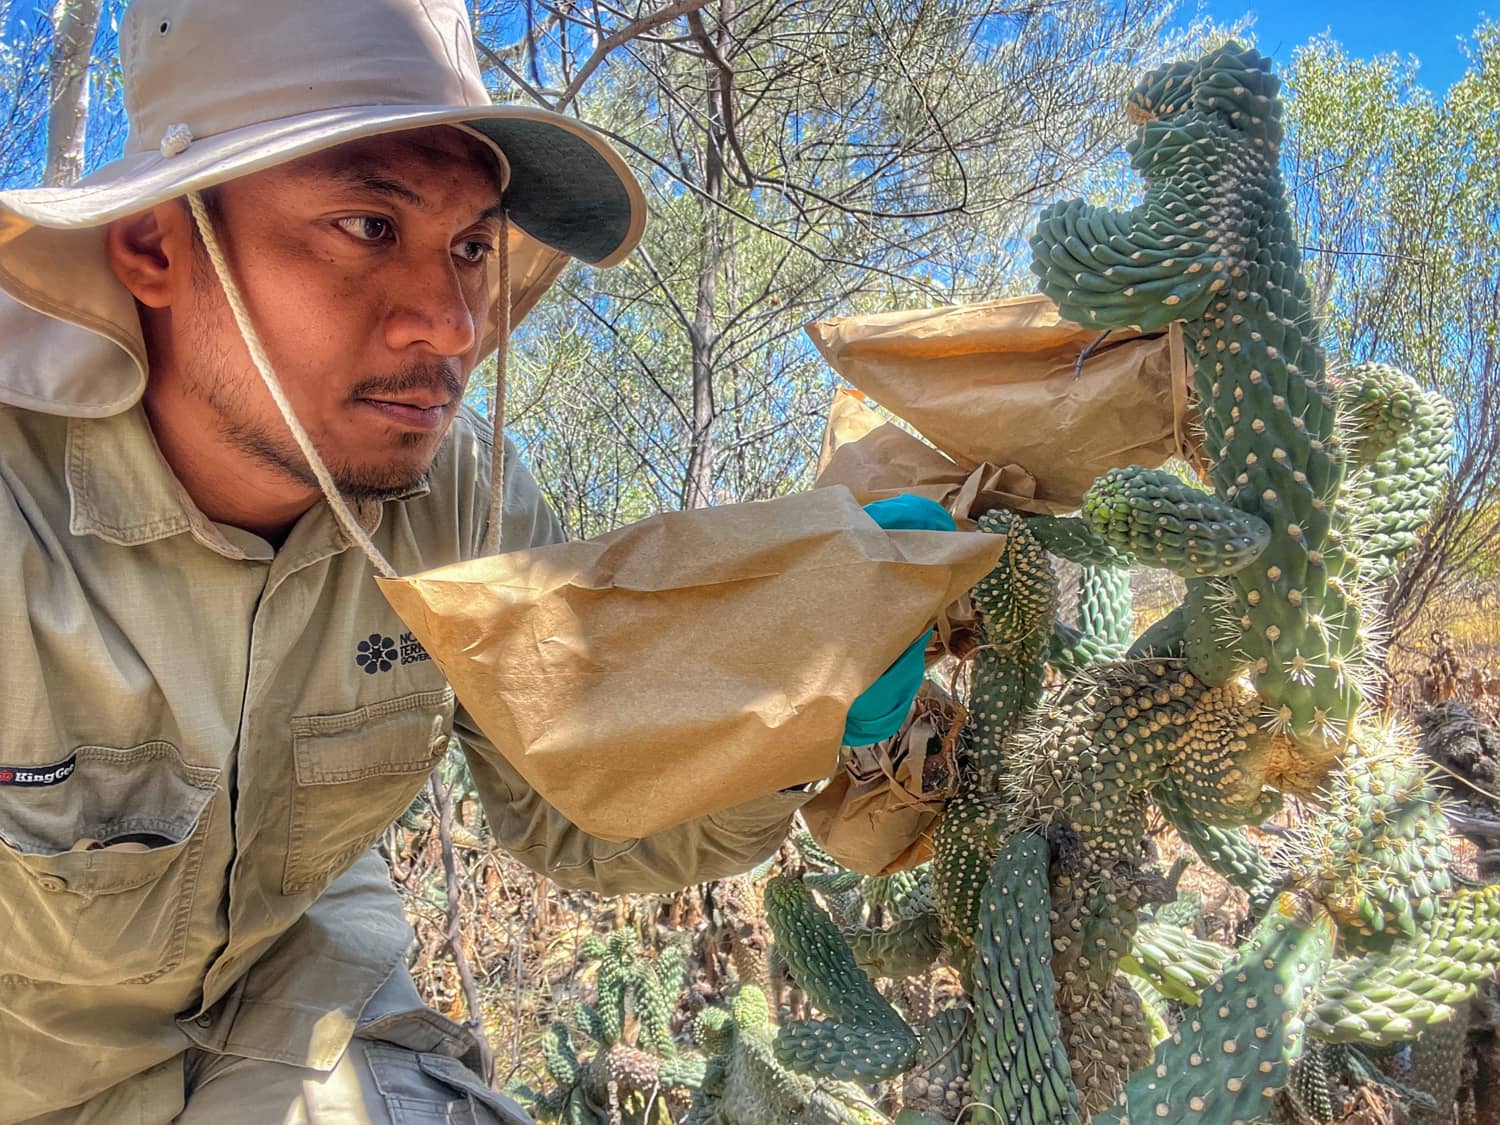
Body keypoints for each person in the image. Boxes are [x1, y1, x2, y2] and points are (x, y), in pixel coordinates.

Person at [0, 1, 868, 1120]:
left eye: (470, 247)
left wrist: (796, 704)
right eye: (367, 225)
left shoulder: (465, 502)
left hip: (295, 1000)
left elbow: (578, 813)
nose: (455, 326)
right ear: (156, 246)